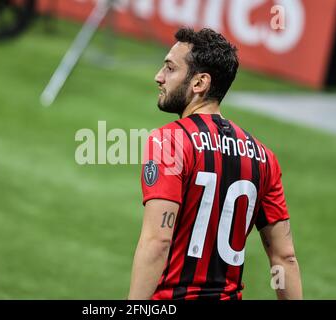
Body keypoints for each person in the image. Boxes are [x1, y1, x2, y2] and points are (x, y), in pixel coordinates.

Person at [128, 28, 302, 300]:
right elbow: (285, 257)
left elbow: (157, 242)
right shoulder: (263, 157)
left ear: (199, 83)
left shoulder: (169, 142)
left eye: (170, 69)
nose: (159, 77)